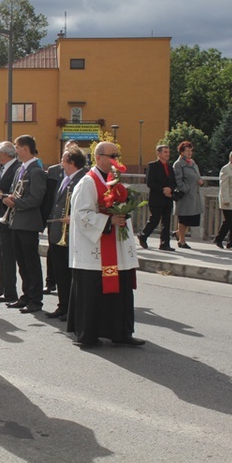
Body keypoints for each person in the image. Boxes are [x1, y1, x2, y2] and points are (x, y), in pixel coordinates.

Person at [67, 142, 144, 347]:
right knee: (93, 293)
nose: (116, 160)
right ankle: (88, 334)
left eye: (117, 155)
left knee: (121, 291)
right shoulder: (87, 182)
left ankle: (120, 332)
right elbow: (81, 215)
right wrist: (109, 221)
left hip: (116, 248)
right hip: (94, 250)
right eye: (112, 156)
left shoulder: (115, 181)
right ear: (98, 157)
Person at [4, 135, 47, 314]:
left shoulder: (36, 171)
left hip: (28, 222)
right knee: (21, 262)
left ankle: (35, 299)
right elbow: (17, 191)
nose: (15, 150)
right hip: (17, 221)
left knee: (31, 263)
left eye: (17, 147)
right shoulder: (21, 169)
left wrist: (15, 203)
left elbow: (36, 198)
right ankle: (26, 295)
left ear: (25, 148)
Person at [45, 147, 88, 321]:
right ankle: (62, 306)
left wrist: (75, 217)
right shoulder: (65, 178)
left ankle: (72, 308)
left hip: (72, 234)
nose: (61, 163)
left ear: (71, 162)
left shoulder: (82, 179)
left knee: (70, 275)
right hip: (58, 233)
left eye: (63, 160)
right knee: (60, 272)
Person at [0, 142, 21, 303]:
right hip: (0, 216)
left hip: (10, 217)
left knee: (8, 256)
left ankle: (10, 292)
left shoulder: (16, 168)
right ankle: (2, 289)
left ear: (6, 154)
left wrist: (1, 195)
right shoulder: (3, 168)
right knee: (2, 255)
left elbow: (16, 192)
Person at [138, 144, 176, 251]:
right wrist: (163, 189)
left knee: (167, 222)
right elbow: (150, 182)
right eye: (165, 152)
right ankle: (143, 235)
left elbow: (174, 181)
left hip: (167, 198)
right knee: (154, 220)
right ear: (158, 153)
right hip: (157, 198)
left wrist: (170, 189)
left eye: (168, 152)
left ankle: (165, 244)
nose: (167, 154)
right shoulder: (153, 165)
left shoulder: (170, 166)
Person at [173, 141, 204, 249]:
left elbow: (196, 175)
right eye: (187, 151)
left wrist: (200, 181)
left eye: (191, 150)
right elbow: (178, 180)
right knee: (184, 219)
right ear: (181, 152)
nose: (190, 153)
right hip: (185, 197)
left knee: (192, 219)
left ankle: (178, 233)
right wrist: (186, 189)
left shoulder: (192, 162)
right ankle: (181, 241)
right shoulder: (178, 164)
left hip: (194, 196)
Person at [214, 149, 232, 249]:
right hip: (229, 199)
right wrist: (226, 199)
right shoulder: (226, 169)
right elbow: (224, 186)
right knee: (228, 221)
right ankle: (218, 239)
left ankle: (231, 242)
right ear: (231, 158)